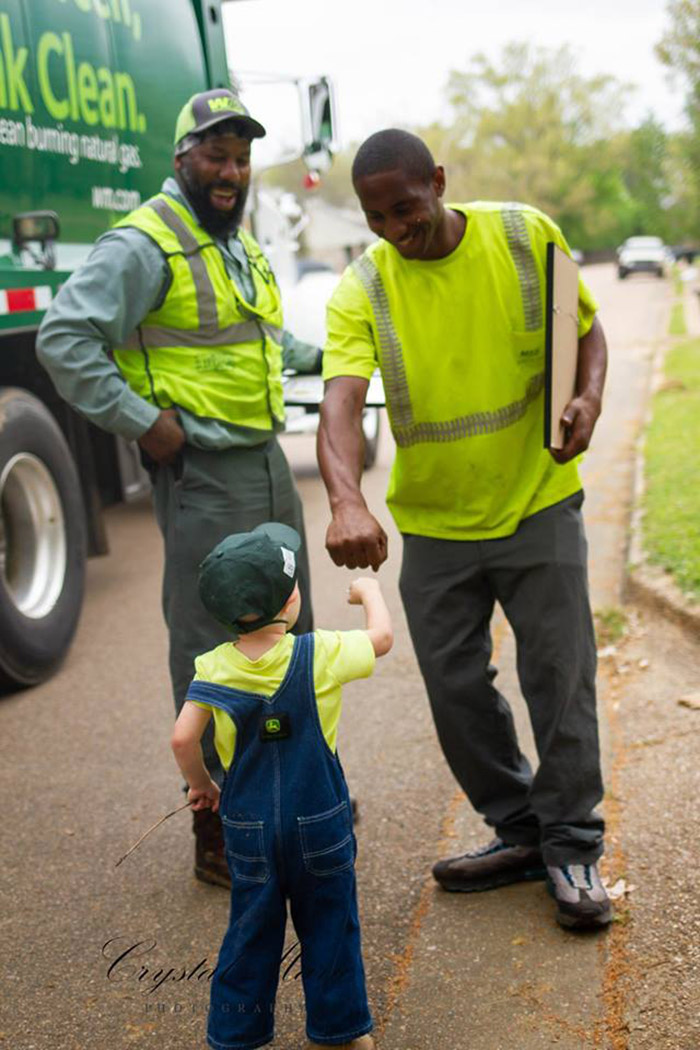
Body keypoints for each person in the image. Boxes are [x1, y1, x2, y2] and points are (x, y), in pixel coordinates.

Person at [317, 128, 612, 930]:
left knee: (560, 676)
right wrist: (346, 500)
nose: (393, 231)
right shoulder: (363, 287)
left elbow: (586, 329)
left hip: (537, 503)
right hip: (438, 526)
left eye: (405, 210)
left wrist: (587, 401)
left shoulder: (524, 235)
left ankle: (574, 844)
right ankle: (521, 834)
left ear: (439, 182)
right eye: (376, 218)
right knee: (454, 691)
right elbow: (340, 401)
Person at [36, 89, 321, 889]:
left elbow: (264, 340)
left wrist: (337, 353)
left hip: (267, 464)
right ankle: (220, 830)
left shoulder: (232, 242)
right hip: (206, 477)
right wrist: (140, 422)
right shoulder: (145, 243)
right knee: (219, 650)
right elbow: (65, 338)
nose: (230, 171)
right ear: (182, 159)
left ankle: (294, 798)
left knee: (290, 641)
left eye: (240, 157)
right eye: (215, 156)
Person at [171, 521, 391, 1050]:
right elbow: (381, 639)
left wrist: (202, 787)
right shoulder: (320, 654)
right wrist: (371, 592)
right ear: (292, 600)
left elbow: (182, 739)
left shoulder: (213, 667)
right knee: (330, 925)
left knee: (250, 931)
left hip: (248, 829)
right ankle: (341, 1032)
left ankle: (236, 1033)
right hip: (319, 821)